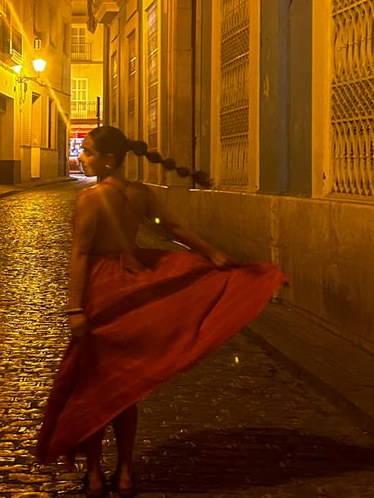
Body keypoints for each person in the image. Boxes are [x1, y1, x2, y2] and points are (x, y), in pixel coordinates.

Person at [35, 125, 286, 497]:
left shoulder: (91, 198)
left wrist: (74, 307)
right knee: (125, 387)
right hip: (131, 284)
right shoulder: (141, 194)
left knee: (94, 386)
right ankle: (123, 471)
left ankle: (93, 474)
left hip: (101, 291)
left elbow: (81, 254)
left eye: (87, 152)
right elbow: (174, 228)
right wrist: (212, 254)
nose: (81, 157)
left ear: (110, 160)